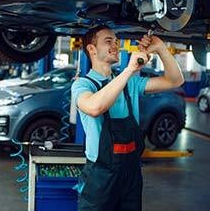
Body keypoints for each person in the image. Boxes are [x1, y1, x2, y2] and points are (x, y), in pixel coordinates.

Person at [71, 25, 184, 211]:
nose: (115, 45)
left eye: (116, 41)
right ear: (91, 49)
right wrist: (129, 69)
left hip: (131, 174)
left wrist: (160, 47)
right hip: (100, 176)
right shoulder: (83, 85)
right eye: (108, 41)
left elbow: (175, 80)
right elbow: (94, 107)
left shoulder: (129, 83)